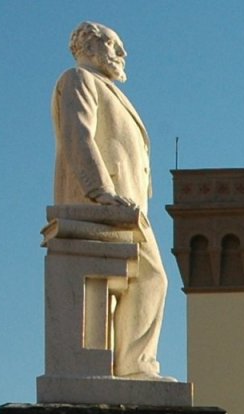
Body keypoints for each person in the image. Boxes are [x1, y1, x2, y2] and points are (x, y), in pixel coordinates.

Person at [52, 23, 167, 378]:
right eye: (115, 45)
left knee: (146, 279)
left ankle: (130, 365)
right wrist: (98, 190)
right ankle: (133, 365)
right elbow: (79, 136)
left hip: (128, 207)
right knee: (150, 277)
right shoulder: (77, 80)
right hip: (103, 202)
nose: (123, 53)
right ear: (90, 45)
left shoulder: (109, 90)